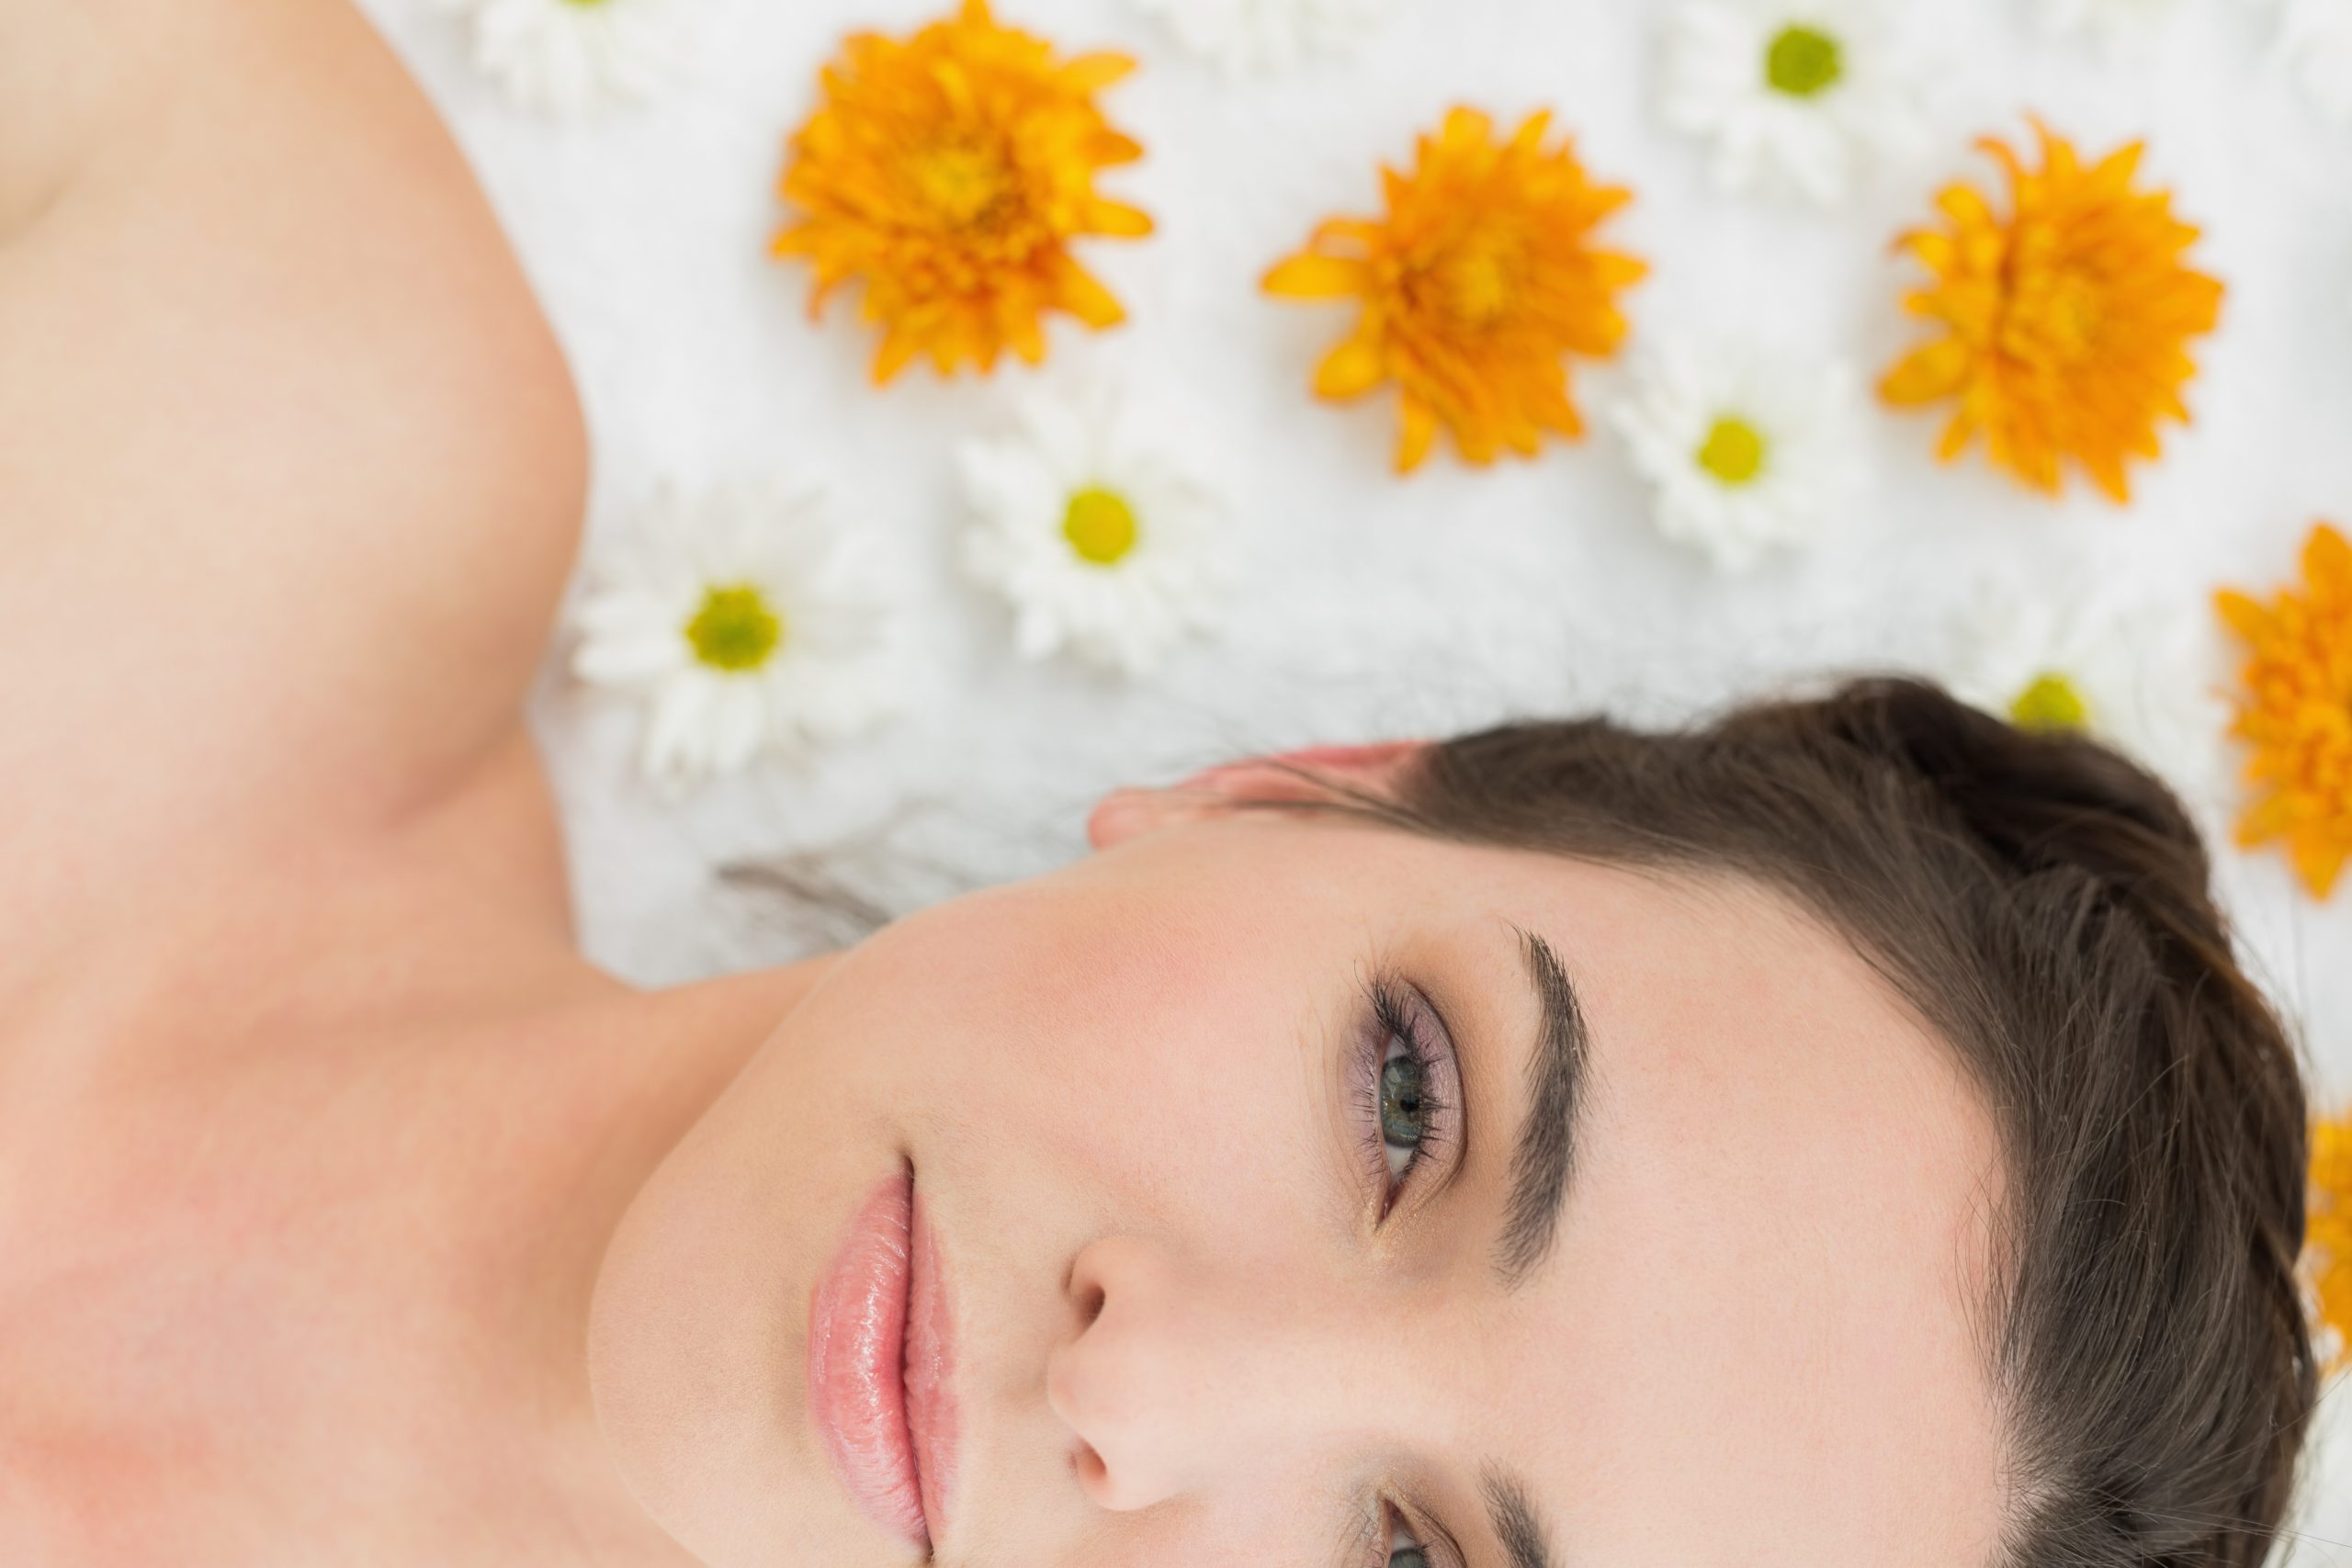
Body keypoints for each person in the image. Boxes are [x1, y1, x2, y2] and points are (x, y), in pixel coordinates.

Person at [0, 1, 2320, 1564]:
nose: (1150, 1386)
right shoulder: (262, 394)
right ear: (1287, 788)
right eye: (1408, 1101)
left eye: (1411, 1561)